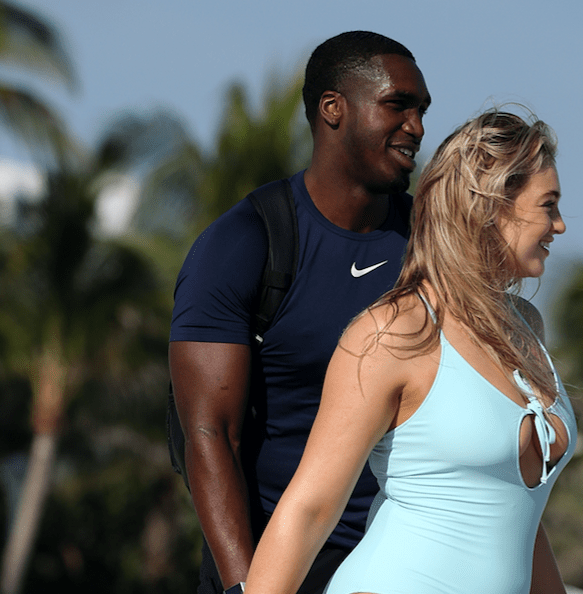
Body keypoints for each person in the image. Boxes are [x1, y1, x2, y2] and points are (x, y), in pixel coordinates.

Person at [246, 109, 576, 594]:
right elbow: (308, 510)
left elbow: (519, 516)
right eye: (548, 205)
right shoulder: (394, 332)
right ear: (490, 206)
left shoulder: (525, 329)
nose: (560, 225)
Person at [169, 31, 431, 594]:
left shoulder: (432, 246)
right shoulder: (244, 243)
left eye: (421, 110)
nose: (417, 127)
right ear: (333, 109)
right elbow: (210, 433)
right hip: (279, 564)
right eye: (398, 105)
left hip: (401, 566)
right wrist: (248, 586)